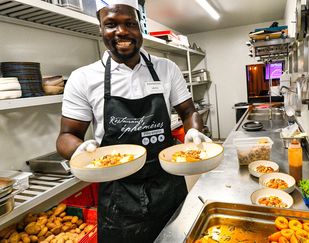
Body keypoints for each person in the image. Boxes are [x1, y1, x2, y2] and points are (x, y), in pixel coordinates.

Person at [56, 0, 211, 242]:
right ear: (100, 29)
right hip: (118, 190)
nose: (122, 32)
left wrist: (193, 133)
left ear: (140, 27)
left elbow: (189, 110)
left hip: (167, 181)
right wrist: (78, 150)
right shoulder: (83, 78)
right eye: (111, 24)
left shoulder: (166, 69)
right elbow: (67, 135)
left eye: (129, 23)